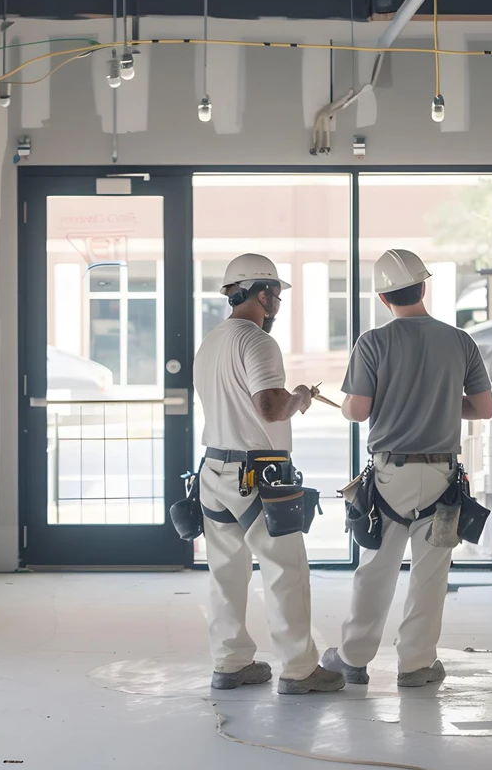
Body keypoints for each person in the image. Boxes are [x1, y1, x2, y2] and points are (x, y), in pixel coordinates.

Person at [321, 249, 492, 688]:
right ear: (424, 287)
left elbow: (358, 411)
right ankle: (416, 665)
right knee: (430, 574)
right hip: (441, 477)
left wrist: (350, 404)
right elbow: (483, 408)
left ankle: (353, 658)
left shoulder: (373, 342)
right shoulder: (461, 341)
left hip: (389, 477)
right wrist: (437, 405)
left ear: (383, 298)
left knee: (375, 569)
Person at [192, 253, 345, 695]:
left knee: (225, 571)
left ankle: (230, 663)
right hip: (258, 472)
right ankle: (299, 669)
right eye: (275, 293)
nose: (276, 301)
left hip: (214, 469)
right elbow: (269, 407)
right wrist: (298, 396)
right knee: (285, 569)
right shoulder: (257, 342)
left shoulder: (212, 341)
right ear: (262, 294)